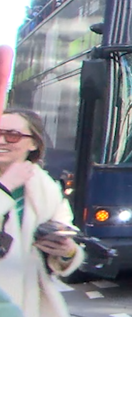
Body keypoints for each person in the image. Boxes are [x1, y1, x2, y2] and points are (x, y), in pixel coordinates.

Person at [0, 109, 85, 317]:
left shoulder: (45, 185)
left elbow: (65, 232)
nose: (2, 141)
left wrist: (67, 252)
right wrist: (5, 188)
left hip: (28, 301)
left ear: (33, 144)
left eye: (12, 135)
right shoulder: (8, 184)